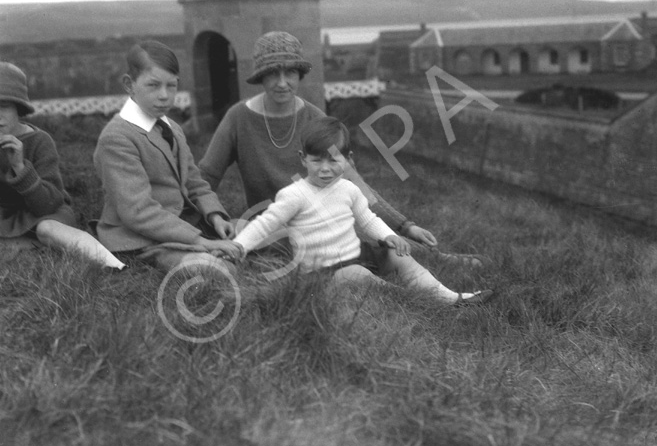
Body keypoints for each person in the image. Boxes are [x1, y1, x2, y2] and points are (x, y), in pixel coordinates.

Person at [199, 31, 483, 279]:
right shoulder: (238, 118)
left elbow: (355, 183)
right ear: (260, 76)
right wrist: (213, 215)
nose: (282, 82)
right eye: (273, 73)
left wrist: (405, 225)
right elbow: (205, 178)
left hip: (325, 218)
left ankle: (433, 257)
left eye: (291, 73)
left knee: (369, 234)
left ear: (300, 74)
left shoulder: (315, 117)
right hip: (274, 229)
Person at [232, 117, 492, 305]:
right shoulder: (293, 195)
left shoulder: (348, 189)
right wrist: (239, 246)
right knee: (357, 276)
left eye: (333, 160)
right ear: (302, 159)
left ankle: (450, 297)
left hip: (355, 252)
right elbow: (265, 224)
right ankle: (413, 299)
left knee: (398, 256)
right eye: (316, 161)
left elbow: (368, 219)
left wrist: (389, 235)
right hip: (320, 271)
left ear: (347, 160)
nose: (325, 169)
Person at [93, 41, 241, 271]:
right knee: (219, 268)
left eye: (171, 86)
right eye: (153, 85)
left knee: (263, 231)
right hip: (144, 239)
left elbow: (195, 183)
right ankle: (204, 257)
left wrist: (215, 216)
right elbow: (138, 212)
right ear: (129, 85)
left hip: (185, 224)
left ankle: (217, 246)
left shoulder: (171, 127)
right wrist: (200, 241)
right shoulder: (117, 138)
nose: (164, 96)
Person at [0, 62, 126, 270]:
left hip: (44, 213)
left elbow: (46, 204)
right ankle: (41, 249)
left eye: (3, 106)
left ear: (19, 108)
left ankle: (112, 264)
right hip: (6, 219)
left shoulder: (40, 141)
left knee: (48, 230)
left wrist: (20, 166)